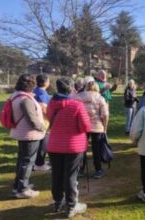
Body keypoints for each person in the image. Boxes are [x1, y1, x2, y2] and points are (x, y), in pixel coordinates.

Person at [47, 78, 91, 218]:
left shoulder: (51, 104)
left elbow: (49, 120)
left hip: (54, 145)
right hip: (73, 145)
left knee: (57, 174)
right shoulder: (77, 105)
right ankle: (71, 205)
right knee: (70, 176)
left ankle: (57, 202)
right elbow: (86, 126)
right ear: (72, 88)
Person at [10, 74, 46, 199]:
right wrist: (43, 128)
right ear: (31, 85)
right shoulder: (25, 99)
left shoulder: (16, 95)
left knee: (22, 160)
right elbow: (32, 118)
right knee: (27, 161)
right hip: (29, 134)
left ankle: (18, 185)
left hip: (22, 133)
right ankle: (23, 189)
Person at [75, 76, 109, 179]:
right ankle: (98, 169)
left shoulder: (78, 97)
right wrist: (105, 127)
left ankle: (81, 169)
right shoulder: (100, 98)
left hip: (82, 126)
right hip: (97, 126)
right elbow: (105, 115)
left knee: (82, 148)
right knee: (96, 149)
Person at [33, 74, 51, 171]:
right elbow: (44, 108)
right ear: (45, 82)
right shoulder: (42, 93)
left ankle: (37, 161)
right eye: (48, 80)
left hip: (35, 120)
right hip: (43, 121)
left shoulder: (35, 90)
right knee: (43, 143)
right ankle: (39, 163)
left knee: (37, 142)